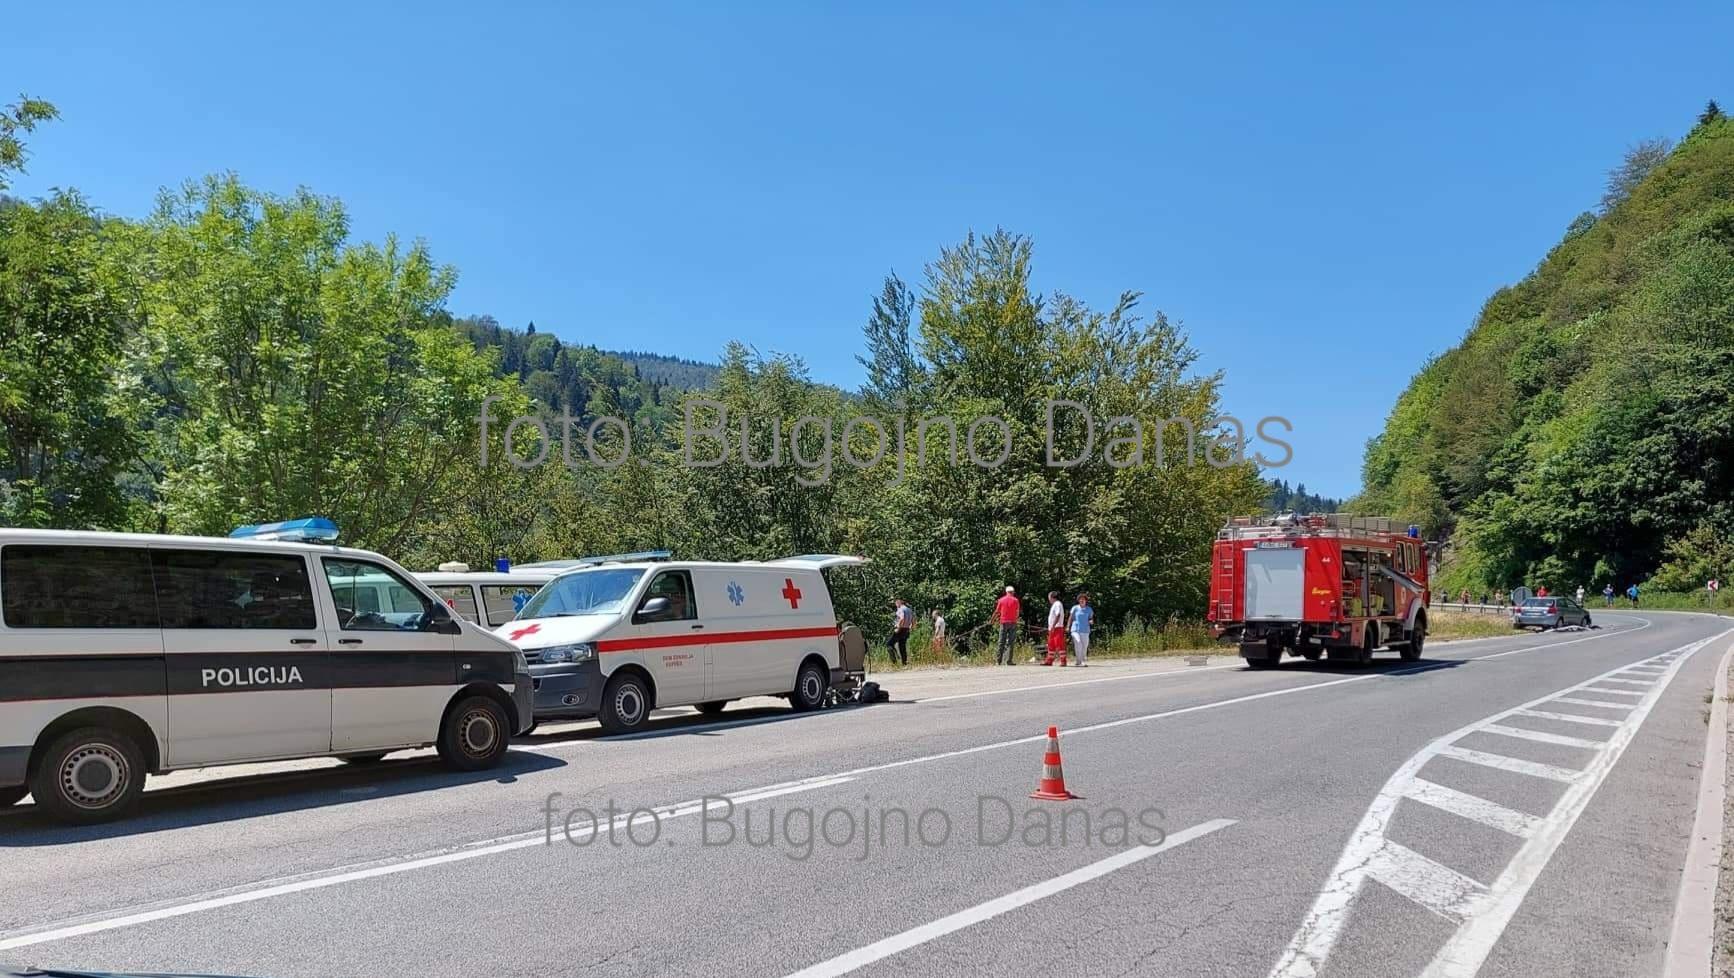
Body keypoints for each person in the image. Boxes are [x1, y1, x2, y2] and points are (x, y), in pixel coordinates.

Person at [995, 586, 1021, 665]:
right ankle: (1009, 661)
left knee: (1001, 641)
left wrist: (991, 620)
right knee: (1011, 642)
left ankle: (998, 661)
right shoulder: (1016, 600)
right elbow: (1017, 612)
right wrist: (1016, 620)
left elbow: (997, 612)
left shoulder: (1001, 600)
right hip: (1012, 623)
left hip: (1003, 623)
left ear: (1006, 592)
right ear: (1012, 592)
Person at [1067, 592, 1095, 667]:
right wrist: (1067, 626)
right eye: (1080, 599)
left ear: (1086, 601)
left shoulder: (1089, 609)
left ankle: (1082, 661)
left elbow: (1091, 618)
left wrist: (1091, 621)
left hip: (1085, 630)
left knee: (1084, 646)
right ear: (1078, 600)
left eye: (1083, 599)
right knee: (1078, 642)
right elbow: (1070, 618)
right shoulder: (1075, 608)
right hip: (1075, 629)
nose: (1081, 601)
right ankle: (1078, 660)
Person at [1041, 591, 1068, 666]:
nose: (1048, 599)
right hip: (1052, 628)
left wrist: (1053, 625)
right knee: (1051, 644)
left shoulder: (1057, 604)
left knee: (1059, 644)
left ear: (1052, 597)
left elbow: (1058, 614)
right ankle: (1049, 660)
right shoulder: (1054, 604)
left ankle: (1063, 661)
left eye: (1049, 597)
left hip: (1057, 627)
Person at [888, 598, 912, 665]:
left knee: (889, 644)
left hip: (900, 629)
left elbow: (902, 618)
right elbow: (914, 620)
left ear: (899, 602)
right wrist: (911, 628)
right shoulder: (909, 610)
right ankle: (904, 663)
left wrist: (898, 628)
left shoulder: (901, 609)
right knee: (902, 646)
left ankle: (894, 662)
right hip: (906, 629)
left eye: (896, 604)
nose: (896, 605)